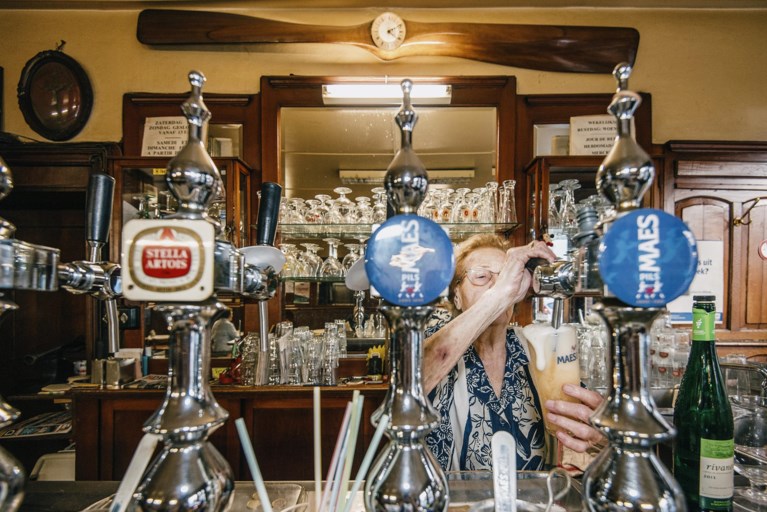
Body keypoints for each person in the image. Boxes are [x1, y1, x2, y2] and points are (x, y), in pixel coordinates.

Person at [423, 234, 605, 471]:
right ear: (456, 295)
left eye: (507, 277)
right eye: (481, 276)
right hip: (457, 503)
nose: (498, 285)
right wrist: (500, 294)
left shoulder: (535, 345)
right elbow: (415, 376)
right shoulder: (438, 340)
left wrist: (600, 435)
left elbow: (578, 423)